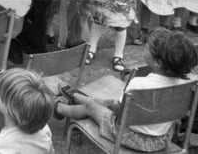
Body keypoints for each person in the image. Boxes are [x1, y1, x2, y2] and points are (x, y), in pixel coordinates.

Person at [55, 28, 198, 152]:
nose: (145, 47)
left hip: (130, 136)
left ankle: (58, 108)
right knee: (107, 103)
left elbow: (119, 114)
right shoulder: (186, 86)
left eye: (148, 47)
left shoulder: (139, 84)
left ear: (158, 63)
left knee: (92, 107)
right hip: (161, 139)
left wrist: (110, 106)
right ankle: (75, 96)